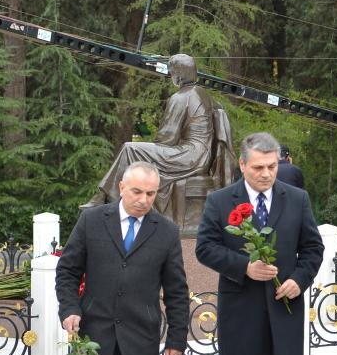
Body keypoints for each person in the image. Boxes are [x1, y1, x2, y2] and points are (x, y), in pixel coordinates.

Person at [55, 162, 190, 355]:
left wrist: (177, 337)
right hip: (94, 330)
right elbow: (68, 271)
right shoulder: (92, 220)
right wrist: (69, 309)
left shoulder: (166, 230)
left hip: (140, 332)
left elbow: (176, 288)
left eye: (151, 193)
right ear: (121, 188)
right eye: (137, 192)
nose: (144, 199)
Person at [196, 132, 324, 355]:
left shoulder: (296, 199)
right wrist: (244, 267)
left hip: (285, 307)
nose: (266, 174)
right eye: (258, 168)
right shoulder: (220, 201)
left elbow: (313, 248)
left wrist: (299, 279)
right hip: (241, 307)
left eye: (272, 166)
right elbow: (205, 248)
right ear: (242, 164)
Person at [84, 53, 234, 228]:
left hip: (189, 156)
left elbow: (167, 138)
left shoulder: (181, 97)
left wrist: (152, 145)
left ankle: (106, 198)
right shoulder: (203, 94)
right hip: (202, 156)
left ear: (178, 74)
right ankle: (107, 198)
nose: (171, 77)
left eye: (172, 73)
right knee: (134, 150)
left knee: (130, 148)